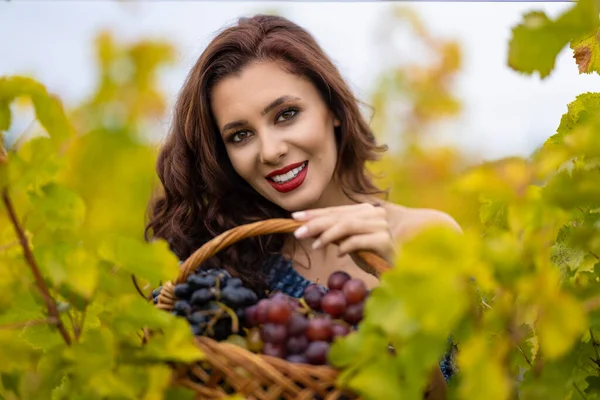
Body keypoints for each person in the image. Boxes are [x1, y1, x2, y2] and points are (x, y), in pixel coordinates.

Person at [145, 14, 461, 399]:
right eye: (241, 135)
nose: (271, 150)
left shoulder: (432, 237)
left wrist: (401, 290)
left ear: (333, 110)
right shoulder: (226, 267)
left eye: (286, 115)